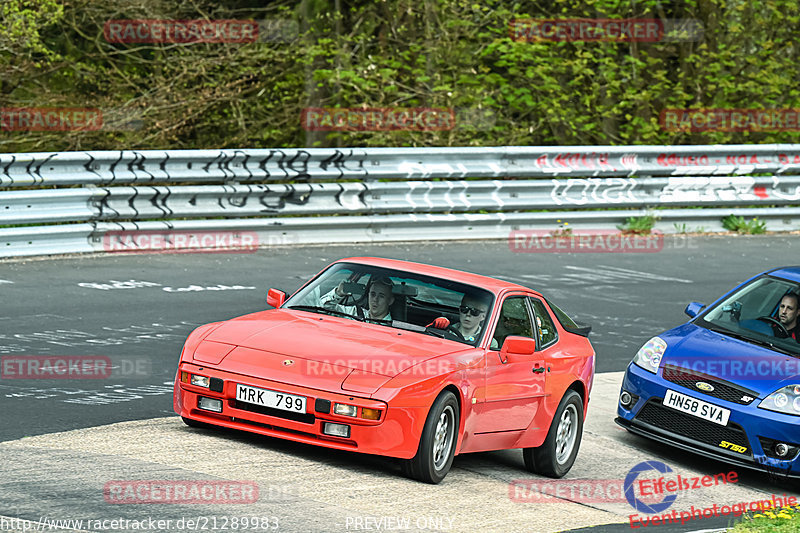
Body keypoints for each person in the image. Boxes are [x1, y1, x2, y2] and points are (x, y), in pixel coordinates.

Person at [320, 276, 395, 321]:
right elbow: (321, 307)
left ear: (390, 301)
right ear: (368, 295)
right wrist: (338, 293)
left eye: (381, 296)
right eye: (372, 294)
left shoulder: (395, 328)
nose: (375, 299)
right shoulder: (354, 313)